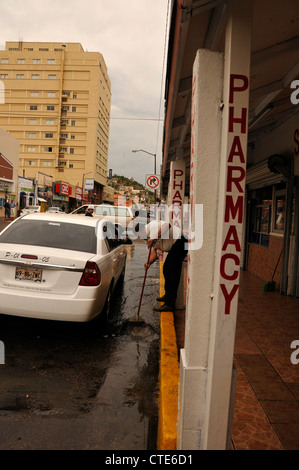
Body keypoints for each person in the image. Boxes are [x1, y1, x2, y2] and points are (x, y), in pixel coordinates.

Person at [142, 219, 188, 312]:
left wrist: (154, 237)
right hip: (175, 246)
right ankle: (168, 296)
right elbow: (153, 253)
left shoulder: (152, 226)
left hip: (181, 242)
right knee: (166, 269)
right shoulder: (147, 238)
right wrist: (148, 263)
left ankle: (169, 304)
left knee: (171, 272)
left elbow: (167, 225)